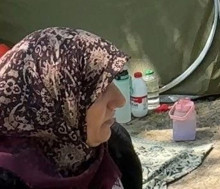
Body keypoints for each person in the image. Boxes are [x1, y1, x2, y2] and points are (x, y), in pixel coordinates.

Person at [0, 28, 142, 189]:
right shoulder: (8, 176)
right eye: (99, 90)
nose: (120, 100)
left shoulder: (113, 146)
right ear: (53, 101)